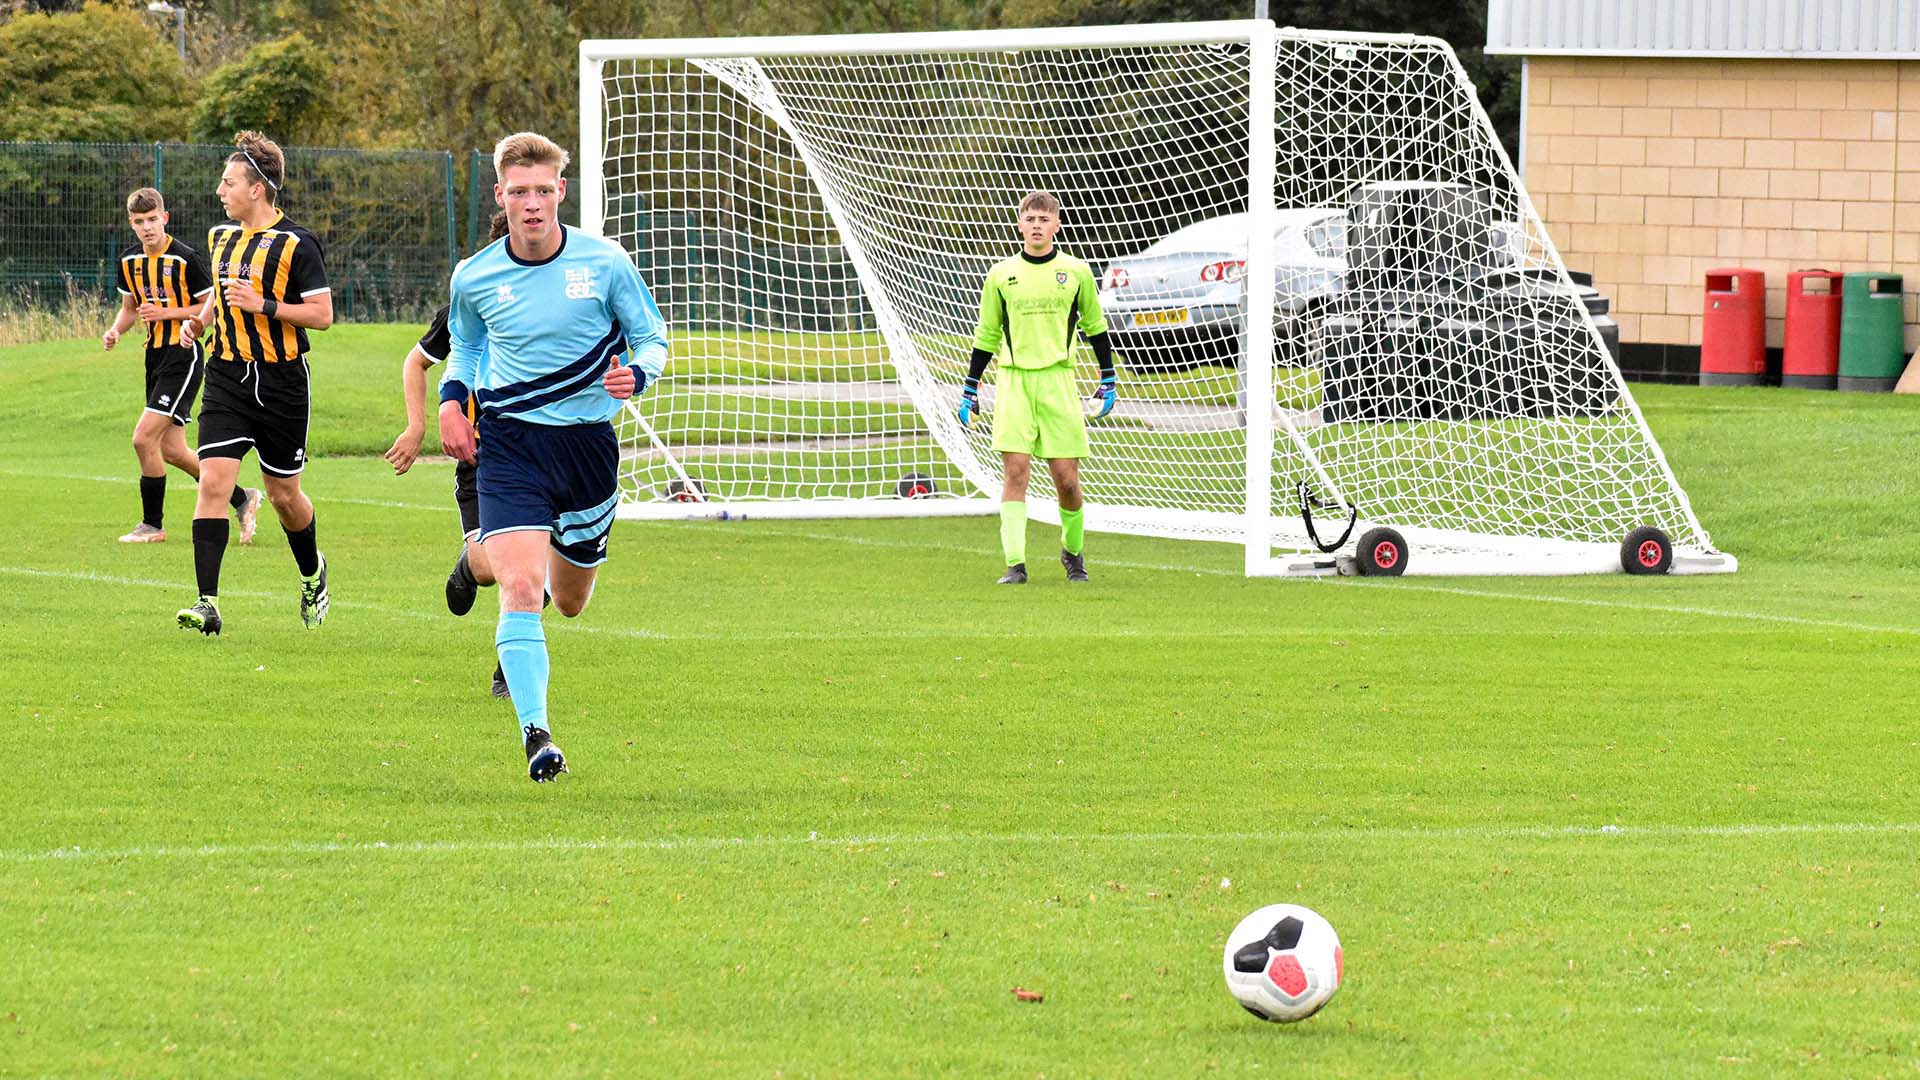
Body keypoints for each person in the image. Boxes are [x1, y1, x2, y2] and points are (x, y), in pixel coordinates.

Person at [438, 132, 667, 781]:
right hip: (511, 445)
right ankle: (537, 734)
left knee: (568, 599)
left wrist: (639, 375)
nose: (531, 203)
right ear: (500, 195)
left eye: (543, 190)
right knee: (519, 586)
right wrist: (453, 400)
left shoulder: (606, 265)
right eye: (519, 192)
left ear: (561, 191)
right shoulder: (476, 275)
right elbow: (466, 347)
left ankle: (476, 560)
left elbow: (651, 338)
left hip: (588, 448)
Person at [175, 131, 334, 636]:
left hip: (282, 381)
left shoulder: (297, 243)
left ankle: (312, 573)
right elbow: (220, 293)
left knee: (285, 495)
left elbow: (323, 315)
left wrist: (263, 305)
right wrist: (199, 320)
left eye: (229, 182)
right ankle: (207, 603)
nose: (221, 191)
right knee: (213, 482)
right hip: (226, 375)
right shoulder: (220, 237)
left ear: (259, 189)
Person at [957, 190, 1116, 585]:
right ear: (1020, 225)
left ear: (1056, 225)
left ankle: (1073, 553)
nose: (1037, 226)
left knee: (1066, 479)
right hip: (1013, 382)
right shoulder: (1000, 275)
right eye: (1030, 219)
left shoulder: (1076, 273)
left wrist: (1107, 377)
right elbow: (987, 334)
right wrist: (970, 388)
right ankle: (1016, 565)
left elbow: (1095, 327)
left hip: (1059, 381)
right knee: (1015, 473)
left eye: (1044, 219)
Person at [388, 211, 511, 697]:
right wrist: (418, 425)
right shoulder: (467, 308)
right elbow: (416, 362)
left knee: (539, 574)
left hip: (544, 455)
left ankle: (510, 665)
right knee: (490, 567)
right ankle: (467, 566)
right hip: (481, 463)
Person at [103, 187, 261, 544]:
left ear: (165, 218)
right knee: (172, 450)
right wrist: (115, 330)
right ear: (132, 224)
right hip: (155, 357)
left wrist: (167, 313)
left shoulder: (186, 258)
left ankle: (152, 525)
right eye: (140, 222)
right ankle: (243, 498)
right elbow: (130, 310)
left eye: (153, 219)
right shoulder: (129, 261)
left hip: (183, 355)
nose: (147, 227)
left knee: (143, 439)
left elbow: (213, 305)